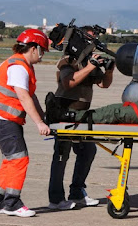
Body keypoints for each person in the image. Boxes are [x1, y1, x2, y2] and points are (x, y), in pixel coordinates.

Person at [0, 29, 51, 217]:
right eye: (42, 51)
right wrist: (39, 124)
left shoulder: (22, 64)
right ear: (33, 48)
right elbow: (23, 96)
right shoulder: (19, 67)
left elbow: (31, 95)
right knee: (20, 159)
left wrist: (42, 116)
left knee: (11, 160)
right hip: (1, 119)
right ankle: (12, 203)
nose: (42, 55)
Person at [47, 26, 114, 211]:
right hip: (64, 114)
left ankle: (77, 192)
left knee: (87, 152)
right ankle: (56, 199)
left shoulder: (88, 62)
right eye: (90, 38)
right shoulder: (67, 60)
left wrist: (108, 71)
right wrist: (91, 66)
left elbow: (103, 84)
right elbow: (68, 83)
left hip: (81, 117)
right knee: (61, 156)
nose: (93, 43)